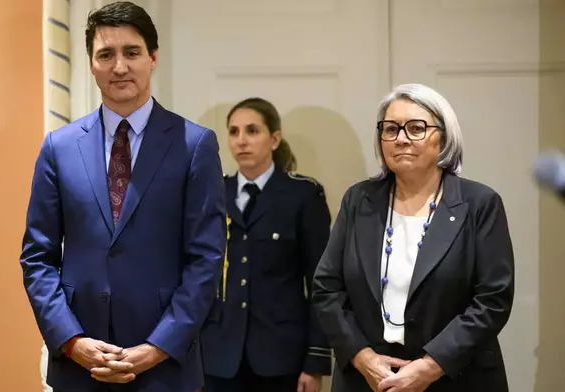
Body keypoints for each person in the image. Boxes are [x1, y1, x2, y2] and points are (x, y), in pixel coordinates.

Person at [20, 2, 226, 391]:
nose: (119, 67)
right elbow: (37, 257)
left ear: (152, 58)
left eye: (131, 53)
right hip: (80, 365)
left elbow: (207, 259)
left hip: (165, 367)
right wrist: (72, 340)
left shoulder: (195, 144)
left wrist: (157, 346)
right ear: (92, 64)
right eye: (106, 55)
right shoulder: (58, 148)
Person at [312, 83, 514, 392]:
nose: (401, 138)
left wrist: (430, 367)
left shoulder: (479, 204)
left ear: (443, 137)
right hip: (367, 379)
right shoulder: (359, 199)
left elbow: (492, 300)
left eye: (416, 128)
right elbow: (326, 289)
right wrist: (361, 356)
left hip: (455, 377)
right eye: (390, 129)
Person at [200, 97, 333, 392]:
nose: (241, 141)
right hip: (219, 355)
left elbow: (321, 283)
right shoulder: (213, 193)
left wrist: (316, 360)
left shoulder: (302, 196)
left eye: (252, 131)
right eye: (233, 132)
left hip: (281, 357)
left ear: (274, 139)